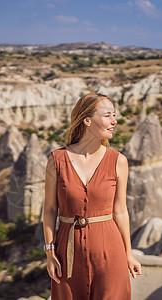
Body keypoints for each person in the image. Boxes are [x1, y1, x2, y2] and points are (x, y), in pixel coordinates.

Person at [42, 92, 141, 299]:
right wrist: (50, 253)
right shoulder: (56, 160)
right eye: (107, 115)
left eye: (114, 115)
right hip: (67, 256)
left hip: (110, 253)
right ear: (87, 120)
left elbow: (120, 211)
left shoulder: (118, 161)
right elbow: (50, 209)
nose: (114, 121)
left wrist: (129, 254)